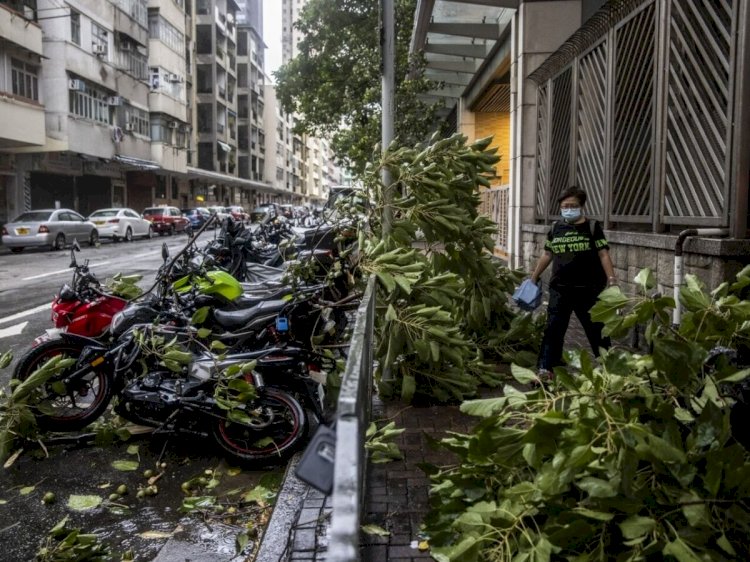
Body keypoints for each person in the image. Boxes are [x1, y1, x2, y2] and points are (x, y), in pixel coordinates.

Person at [530, 186, 617, 378]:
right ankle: (546, 368)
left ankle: (610, 368)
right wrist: (534, 276)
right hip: (560, 289)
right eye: (565, 206)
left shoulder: (592, 228)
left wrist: (612, 279)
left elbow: (603, 254)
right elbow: (547, 254)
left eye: (573, 205)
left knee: (596, 330)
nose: (568, 209)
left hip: (589, 290)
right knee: (553, 328)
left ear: (581, 206)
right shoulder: (555, 228)